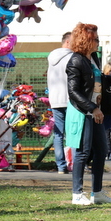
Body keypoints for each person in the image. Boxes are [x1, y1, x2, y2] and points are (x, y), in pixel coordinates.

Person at [65, 23, 111, 205]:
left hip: (96, 111)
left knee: (101, 151)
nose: (98, 42)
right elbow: (73, 92)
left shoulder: (93, 58)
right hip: (82, 111)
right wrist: (91, 108)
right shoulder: (76, 61)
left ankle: (97, 192)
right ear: (86, 40)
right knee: (82, 152)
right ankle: (77, 194)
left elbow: (97, 82)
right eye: (95, 39)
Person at [47, 31, 73, 174]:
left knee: (58, 134)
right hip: (69, 99)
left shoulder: (51, 57)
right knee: (73, 133)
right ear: (67, 42)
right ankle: (72, 163)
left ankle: (61, 166)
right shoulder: (72, 57)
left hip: (55, 100)